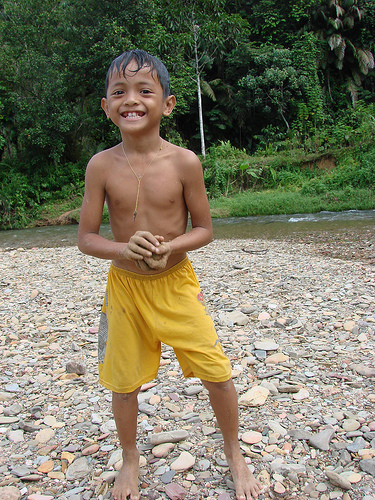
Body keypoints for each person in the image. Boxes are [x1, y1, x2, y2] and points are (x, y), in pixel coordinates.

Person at [78, 49, 262, 500]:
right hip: (124, 289)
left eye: (145, 90)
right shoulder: (100, 166)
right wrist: (124, 248)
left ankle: (235, 454)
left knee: (217, 371)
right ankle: (130, 459)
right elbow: (86, 238)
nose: (131, 100)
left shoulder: (184, 162)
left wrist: (169, 246)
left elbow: (204, 229)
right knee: (124, 381)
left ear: (168, 103)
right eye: (118, 92)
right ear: (106, 107)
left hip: (177, 284)